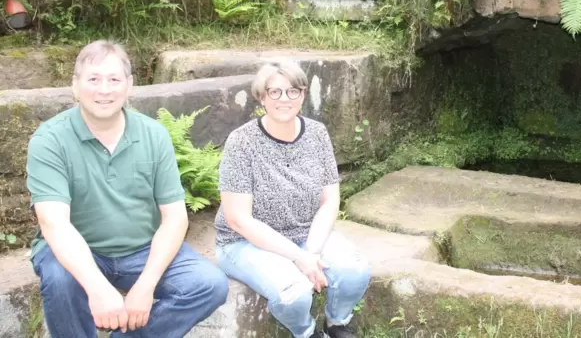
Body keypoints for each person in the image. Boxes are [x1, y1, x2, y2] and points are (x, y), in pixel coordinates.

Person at [25, 40, 229, 338]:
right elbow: (54, 224)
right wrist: (98, 288)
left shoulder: (153, 135)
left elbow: (175, 218)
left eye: (114, 79)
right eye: (93, 79)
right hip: (79, 249)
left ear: (129, 85)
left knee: (209, 284)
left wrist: (144, 288)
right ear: (75, 85)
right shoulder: (50, 140)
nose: (104, 90)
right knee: (60, 279)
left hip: (141, 250)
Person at [214, 61, 371, 338]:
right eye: (274, 92)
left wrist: (310, 252)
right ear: (261, 97)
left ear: (302, 94)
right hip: (246, 243)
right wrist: (299, 258)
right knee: (294, 293)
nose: (284, 99)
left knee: (355, 271)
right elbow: (238, 219)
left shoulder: (317, 133)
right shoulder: (241, 142)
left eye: (292, 91)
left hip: (305, 232)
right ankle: (306, 332)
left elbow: (330, 200)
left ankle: (337, 324)